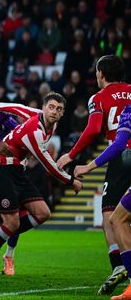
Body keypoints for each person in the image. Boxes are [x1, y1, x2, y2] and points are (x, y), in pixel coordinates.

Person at [0, 92, 83, 277]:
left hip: (17, 171)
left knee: (43, 213)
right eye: (51, 107)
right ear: (44, 107)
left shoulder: (44, 118)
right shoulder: (35, 132)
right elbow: (48, 163)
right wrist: (71, 180)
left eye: (59, 109)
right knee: (12, 222)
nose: (55, 112)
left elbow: (18, 107)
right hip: (0, 169)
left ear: (63, 113)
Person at [57, 55, 131, 295]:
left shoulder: (98, 98)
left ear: (101, 74)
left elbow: (92, 130)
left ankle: (119, 265)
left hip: (120, 156)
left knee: (111, 214)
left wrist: (72, 155)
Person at [75, 105, 131, 300]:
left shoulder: (128, 111)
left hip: (122, 164)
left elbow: (118, 144)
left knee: (116, 219)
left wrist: (89, 166)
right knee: (118, 218)